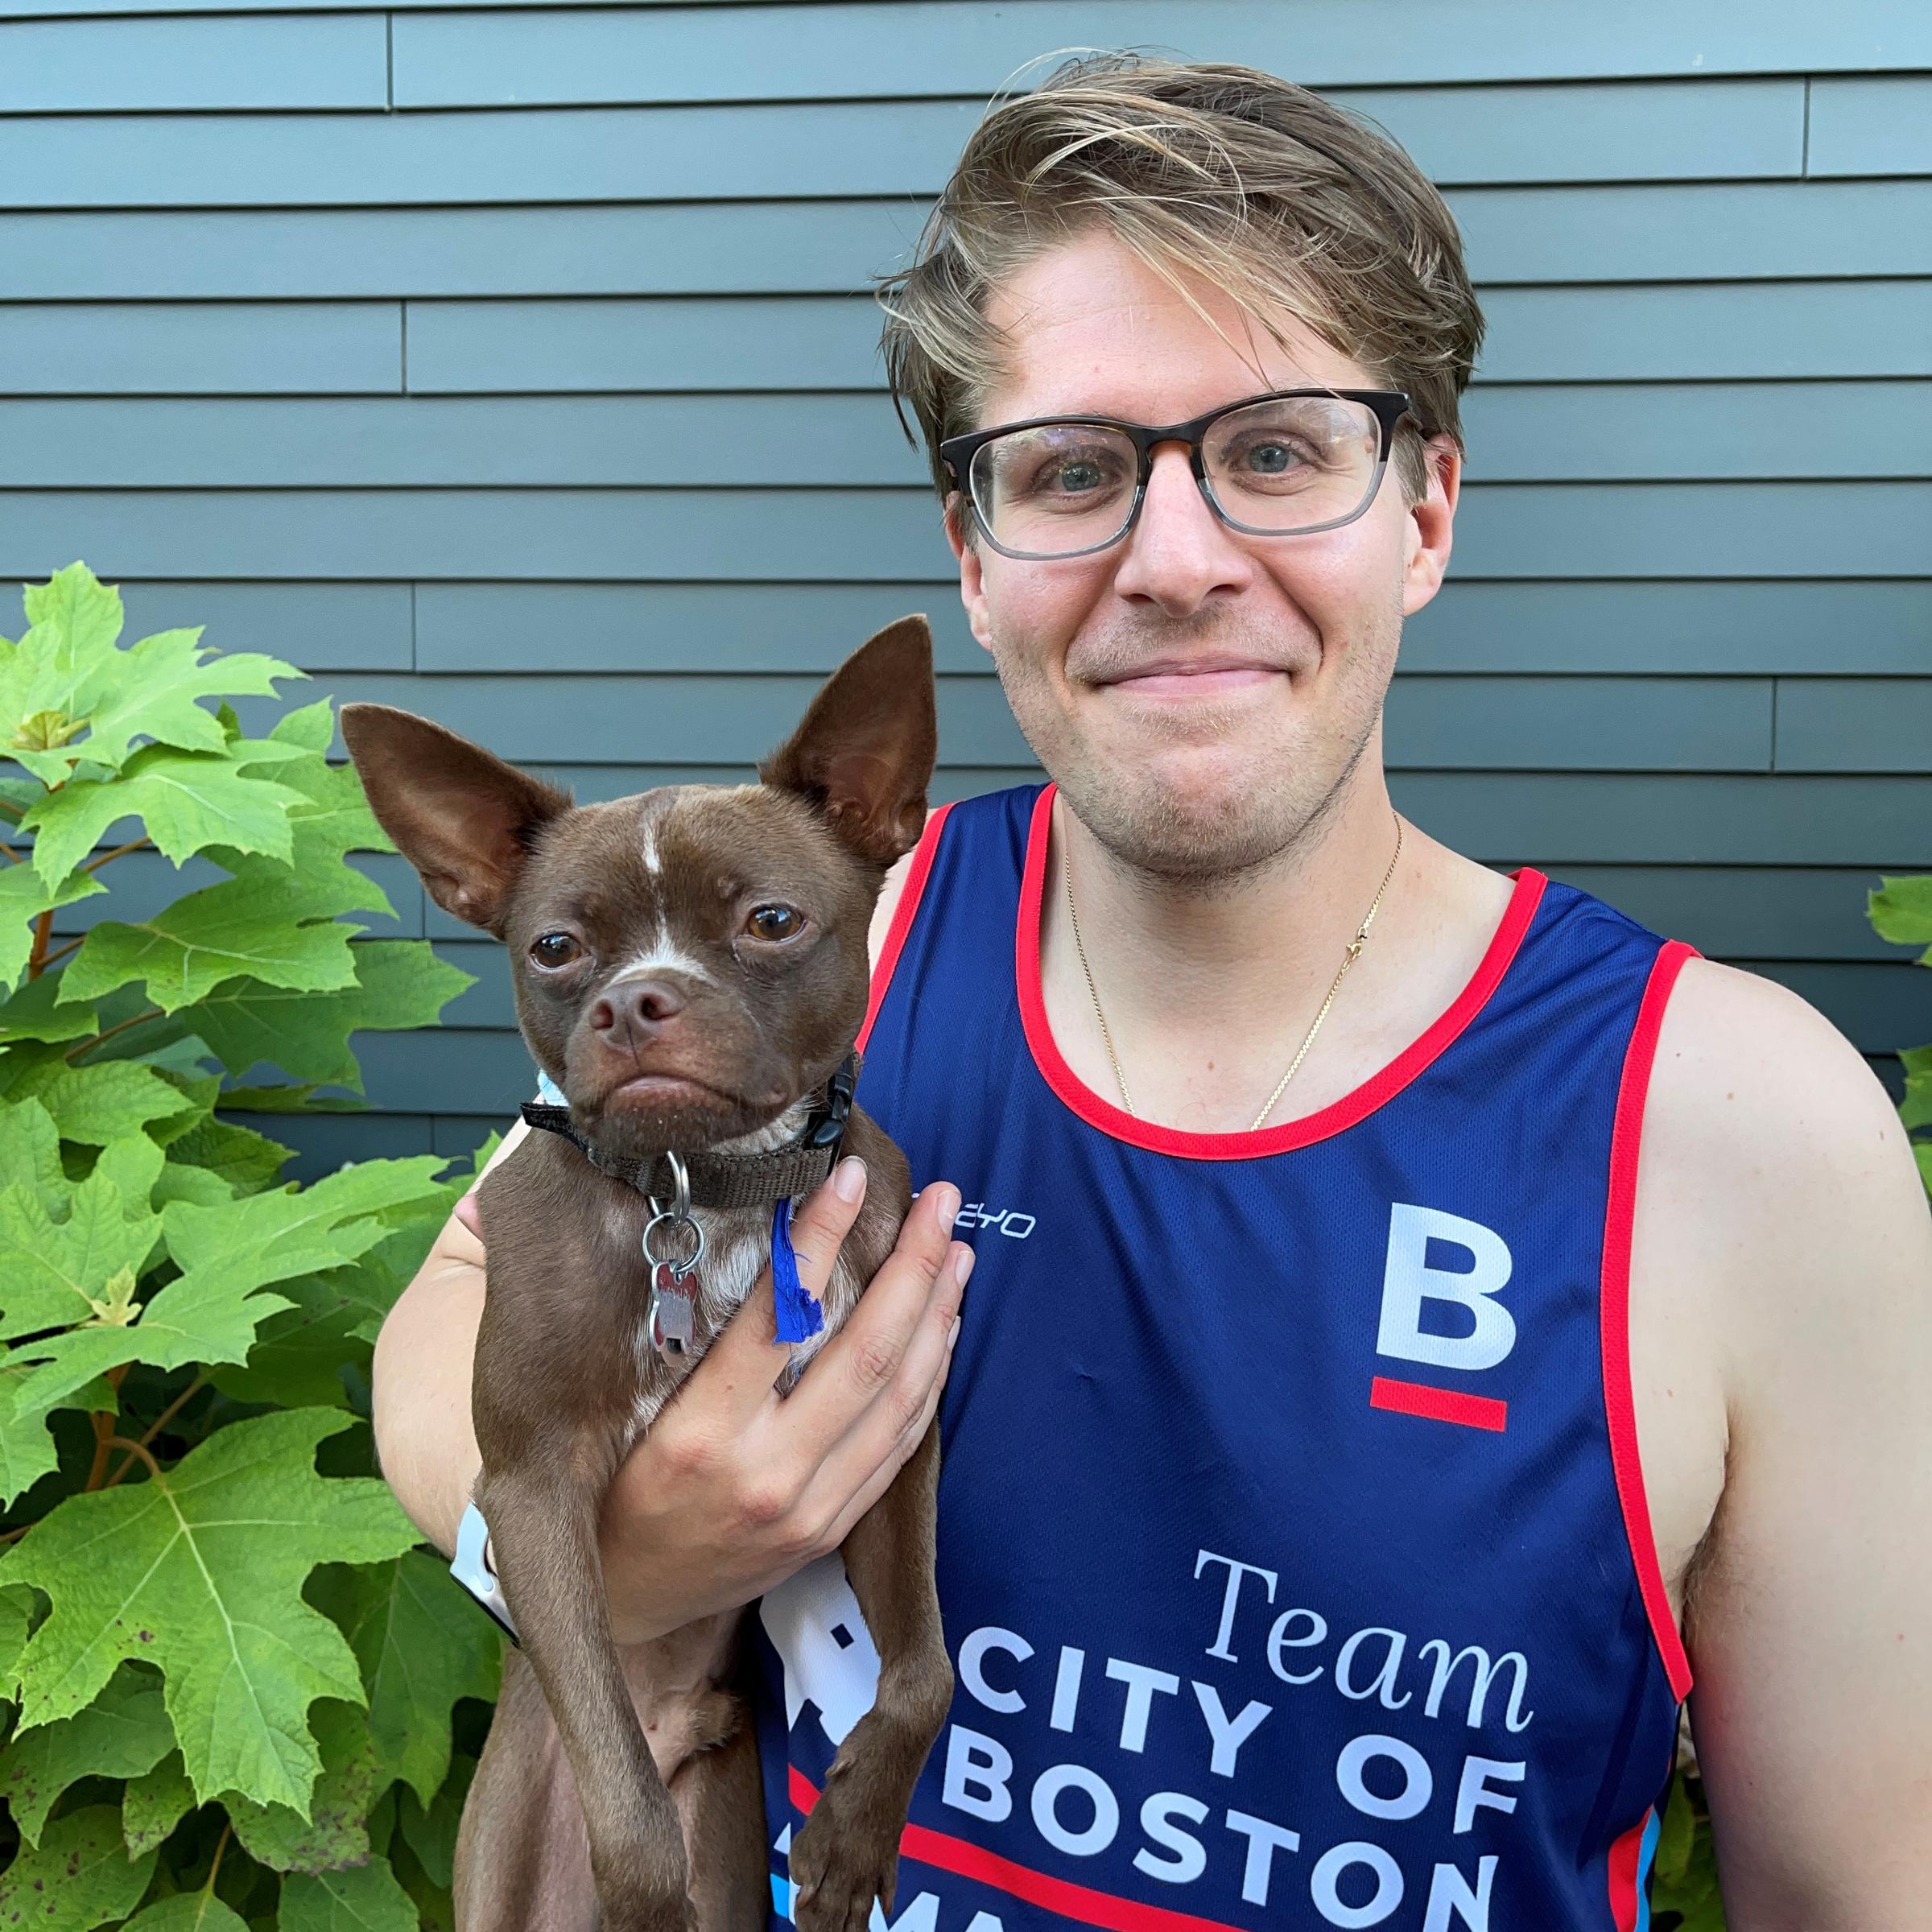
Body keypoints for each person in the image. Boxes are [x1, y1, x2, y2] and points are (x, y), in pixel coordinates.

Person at [372, 55, 1932, 1930]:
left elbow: (1856, 1890)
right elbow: (455, 1316)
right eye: (1074, 471)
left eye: (1276, 450)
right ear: (973, 552)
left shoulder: (1734, 1127)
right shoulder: (826, 951)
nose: (1176, 561)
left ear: (1426, 508)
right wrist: (613, 1562)